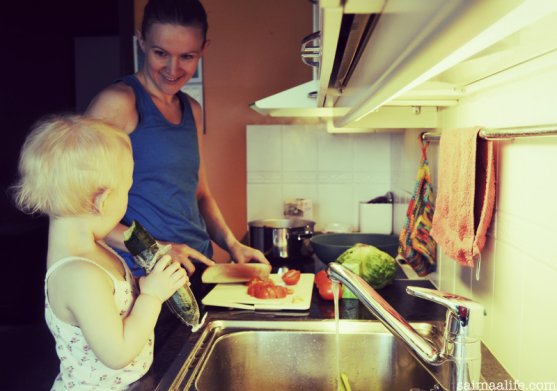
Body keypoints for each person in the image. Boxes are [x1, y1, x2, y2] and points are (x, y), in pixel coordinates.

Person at [85, 0, 268, 284]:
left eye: (187, 56)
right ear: (141, 41)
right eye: (161, 53)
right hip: (146, 279)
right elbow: (80, 208)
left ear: (203, 49)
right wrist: (158, 249)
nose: (173, 68)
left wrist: (233, 245)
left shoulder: (191, 109)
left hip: (199, 267)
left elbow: (199, 193)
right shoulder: (117, 104)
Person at [12, 115, 188, 390]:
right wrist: (153, 296)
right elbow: (116, 353)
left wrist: (149, 284)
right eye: (127, 190)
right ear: (102, 200)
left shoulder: (95, 251)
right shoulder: (79, 275)